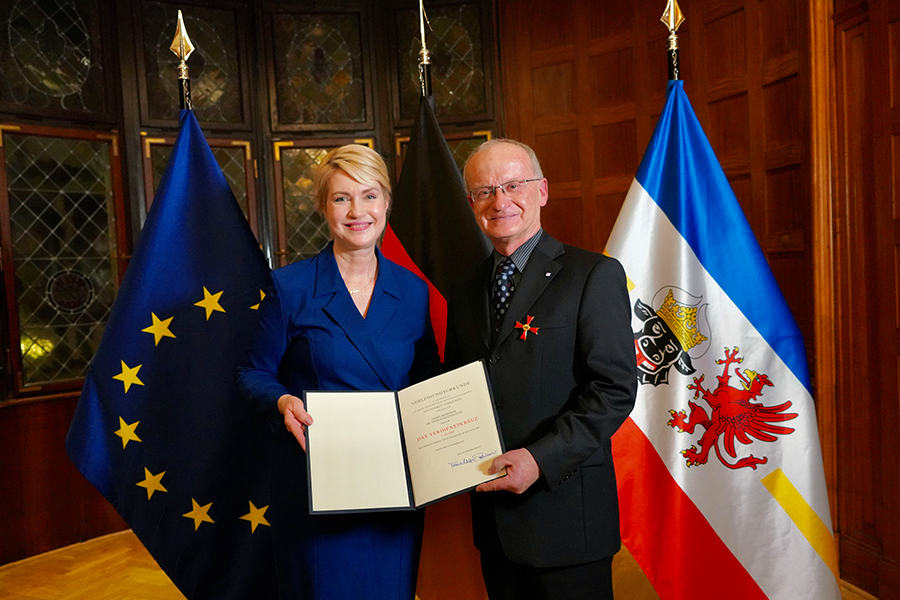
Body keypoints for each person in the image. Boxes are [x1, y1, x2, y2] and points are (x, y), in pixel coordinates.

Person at [236, 144, 440, 599]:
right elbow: (252, 373)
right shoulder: (289, 287)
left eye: (369, 196)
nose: (357, 211)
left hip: (393, 483)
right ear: (324, 207)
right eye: (341, 198)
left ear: (386, 203)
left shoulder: (412, 291)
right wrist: (283, 400)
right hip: (316, 483)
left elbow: (427, 373)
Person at [444, 139, 638, 600]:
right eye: (485, 190)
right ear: (471, 203)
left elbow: (614, 389)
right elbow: (455, 387)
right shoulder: (466, 288)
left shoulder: (593, 274)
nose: (500, 201)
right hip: (493, 523)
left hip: (567, 516)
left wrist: (540, 459)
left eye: (514, 185)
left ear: (543, 191)